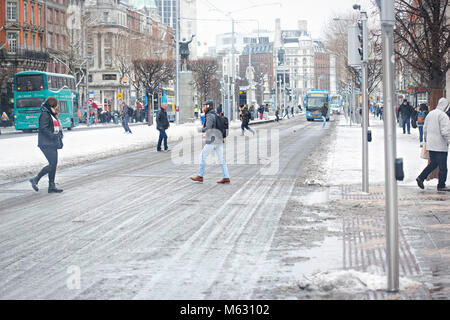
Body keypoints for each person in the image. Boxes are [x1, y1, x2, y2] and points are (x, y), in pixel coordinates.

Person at [29, 97, 64, 193]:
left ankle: (51, 186)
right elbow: (43, 128)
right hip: (46, 143)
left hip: (51, 143)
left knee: (54, 164)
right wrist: (53, 135)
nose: (57, 107)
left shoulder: (51, 114)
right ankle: (35, 179)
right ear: (52, 105)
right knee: (52, 164)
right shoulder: (45, 114)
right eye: (56, 105)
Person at [191, 101, 230, 184]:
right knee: (221, 159)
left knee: (202, 156)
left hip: (212, 140)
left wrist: (200, 129)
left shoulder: (209, 115)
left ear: (208, 106)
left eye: (204, 106)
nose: (203, 107)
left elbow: (208, 127)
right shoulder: (215, 114)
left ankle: (200, 176)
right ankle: (226, 177)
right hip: (218, 139)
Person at [416, 98, 450, 192]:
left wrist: (427, 140)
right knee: (443, 167)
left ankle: (421, 177)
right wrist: (449, 139)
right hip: (440, 145)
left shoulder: (430, 114)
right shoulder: (443, 116)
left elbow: (425, 129)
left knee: (433, 164)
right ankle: (441, 185)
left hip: (431, 144)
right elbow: (445, 131)